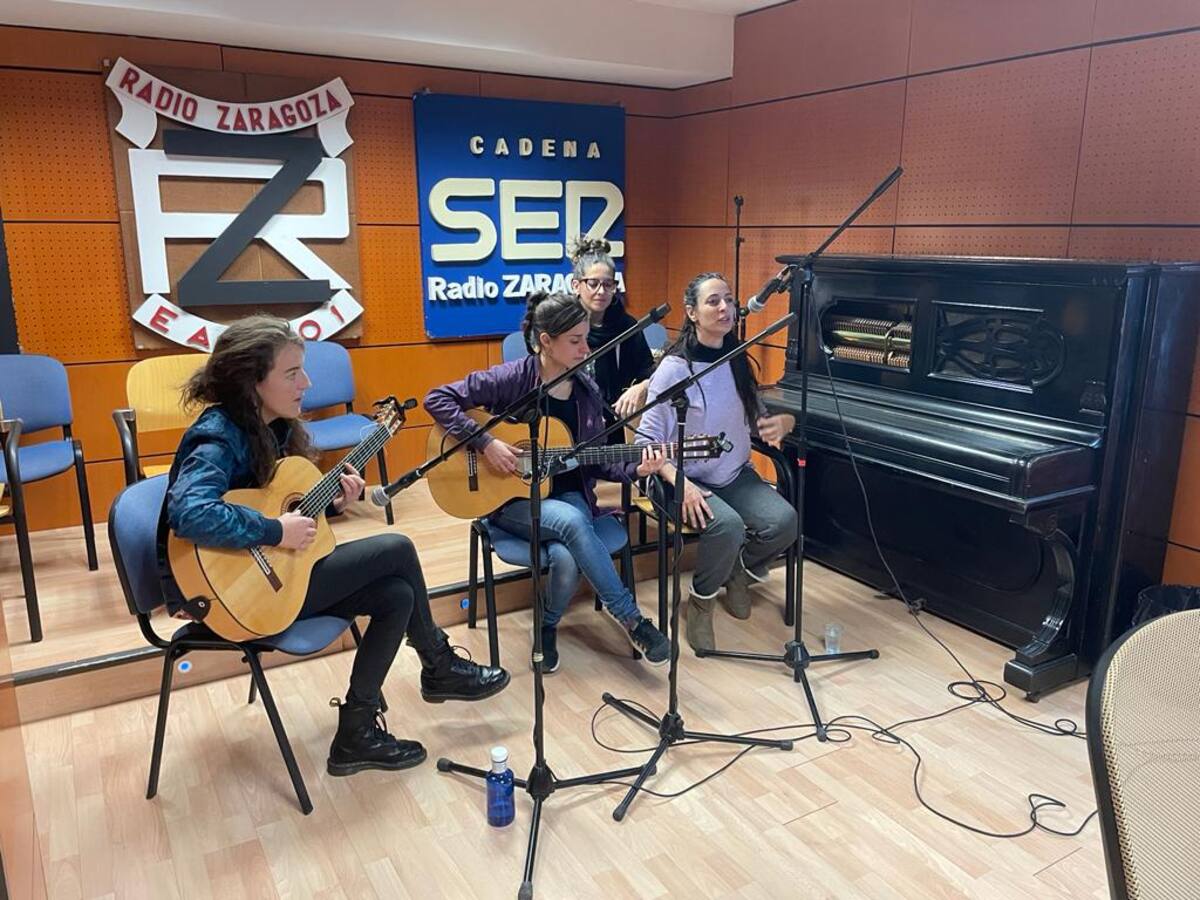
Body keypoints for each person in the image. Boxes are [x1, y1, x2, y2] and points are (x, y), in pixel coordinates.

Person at [157, 315, 509, 778]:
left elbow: (286, 507)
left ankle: (356, 734)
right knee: (395, 548)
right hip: (232, 596)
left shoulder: (274, 427)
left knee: (397, 595)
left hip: (267, 579)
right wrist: (273, 531)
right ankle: (438, 664)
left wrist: (332, 502)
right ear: (251, 380)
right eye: (291, 373)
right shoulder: (219, 434)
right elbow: (190, 513)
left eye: (302, 370)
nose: (307, 382)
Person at [424, 291, 672, 673]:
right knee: (574, 525)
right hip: (509, 502)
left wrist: (637, 471)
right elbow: (437, 398)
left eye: (586, 338)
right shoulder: (513, 378)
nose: (584, 348)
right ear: (545, 341)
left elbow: (599, 462)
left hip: (567, 496)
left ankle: (547, 625)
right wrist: (486, 443)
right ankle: (633, 621)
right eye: (575, 340)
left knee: (565, 555)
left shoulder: (587, 392)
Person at [637, 273, 799, 653]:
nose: (725, 308)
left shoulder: (736, 359)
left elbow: (756, 416)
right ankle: (701, 602)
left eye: (728, 299)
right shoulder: (675, 369)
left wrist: (780, 423)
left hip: (733, 474)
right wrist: (682, 483)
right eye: (713, 302)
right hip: (680, 479)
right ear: (692, 313)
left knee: (784, 522)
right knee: (725, 526)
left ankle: (736, 569)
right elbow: (648, 441)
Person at [569, 236, 655, 422]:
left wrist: (642, 387)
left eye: (608, 284)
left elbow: (649, 372)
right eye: (593, 284)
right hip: (570, 421)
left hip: (617, 422)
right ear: (576, 286)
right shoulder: (562, 325)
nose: (601, 291)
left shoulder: (627, 326)